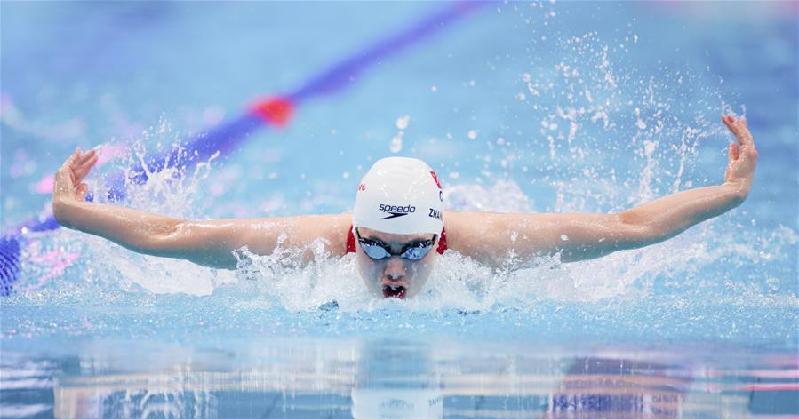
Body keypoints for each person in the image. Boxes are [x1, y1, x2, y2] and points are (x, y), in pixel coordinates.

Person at [52, 114, 757, 299]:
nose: (394, 267)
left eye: (414, 247)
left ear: (440, 239)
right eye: (377, 246)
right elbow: (175, 231)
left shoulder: (490, 244)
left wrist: (726, 195)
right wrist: (74, 213)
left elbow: (623, 228)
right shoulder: (310, 245)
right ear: (352, 234)